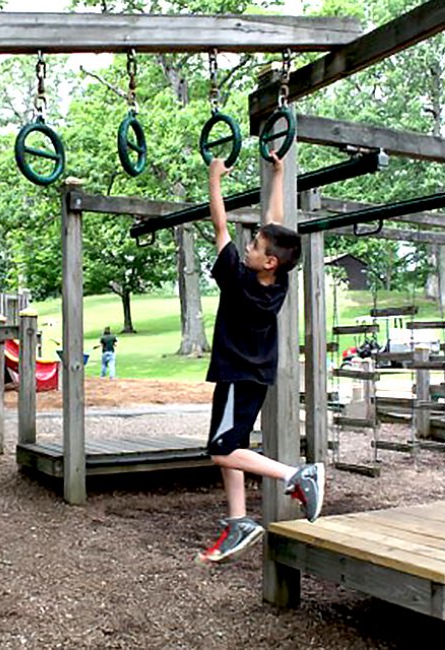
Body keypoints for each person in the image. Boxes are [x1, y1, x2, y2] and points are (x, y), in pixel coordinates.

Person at [196, 153, 325, 565]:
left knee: (221, 450)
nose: (246, 245)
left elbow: (219, 224)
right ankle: (238, 521)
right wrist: (280, 173)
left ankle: (296, 475)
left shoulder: (237, 279)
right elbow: (276, 224)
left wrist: (214, 178)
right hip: (252, 377)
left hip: (236, 375)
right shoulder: (278, 280)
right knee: (230, 444)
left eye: (253, 244)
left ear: (266, 260)